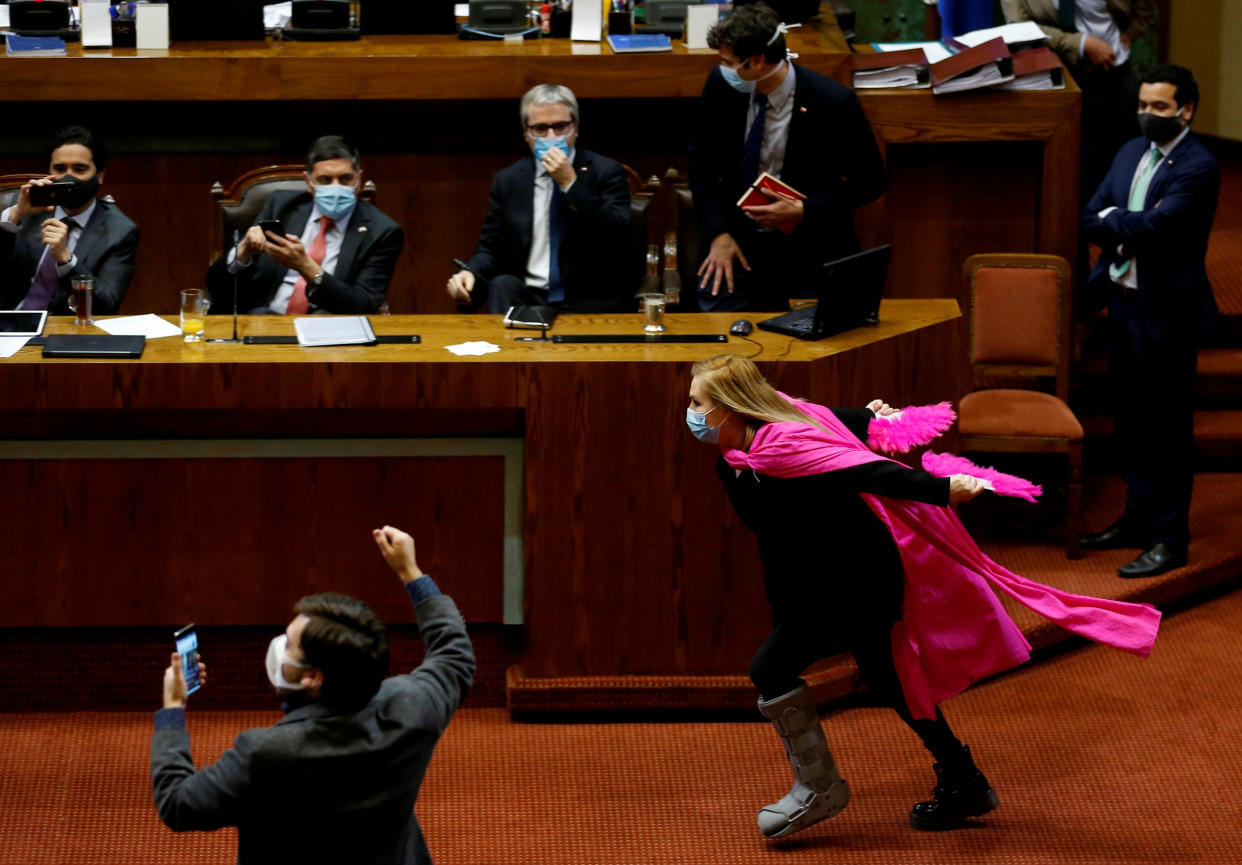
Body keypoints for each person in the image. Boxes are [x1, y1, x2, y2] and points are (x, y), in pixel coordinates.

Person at [685, 353, 1161, 836]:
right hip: (808, 580)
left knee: (770, 669)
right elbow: (841, 421)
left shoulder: (786, 447)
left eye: (698, 402)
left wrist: (942, 488)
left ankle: (819, 788)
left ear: (731, 407)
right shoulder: (738, 455)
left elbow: (870, 472)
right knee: (888, 676)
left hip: (853, 582)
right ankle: (963, 780)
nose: (691, 412)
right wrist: (876, 416)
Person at [151, 525, 475, 865]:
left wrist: (173, 710)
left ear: (313, 677)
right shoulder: (414, 707)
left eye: (289, 643)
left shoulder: (263, 753)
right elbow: (454, 654)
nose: (279, 646)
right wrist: (411, 571)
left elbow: (177, 804)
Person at [1078, 65, 1219, 579]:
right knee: (1132, 423)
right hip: (1123, 304)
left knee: (1167, 430)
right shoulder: (1129, 150)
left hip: (1168, 314)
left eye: (1158, 107)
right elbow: (1089, 212)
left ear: (1185, 110)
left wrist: (1119, 221)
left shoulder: (1198, 164)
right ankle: (1136, 519)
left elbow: (1161, 227)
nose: (1147, 115)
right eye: (1142, 104)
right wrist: (1122, 222)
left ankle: (1169, 538)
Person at [688, 2, 885, 312]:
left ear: (757, 61)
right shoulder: (721, 86)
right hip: (736, 243)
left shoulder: (832, 102)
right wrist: (718, 233)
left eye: (728, 62)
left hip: (807, 248)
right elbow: (700, 165)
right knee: (721, 337)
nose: (723, 69)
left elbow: (870, 182)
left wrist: (804, 208)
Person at [445, 83, 633, 314]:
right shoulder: (509, 180)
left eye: (560, 127)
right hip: (529, 296)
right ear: (527, 133)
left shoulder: (606, 171)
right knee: (503, 283)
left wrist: (570, 184)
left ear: (575, 129)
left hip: (589, 299)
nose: (552, 137)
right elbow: (490, 247)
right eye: (540, 129)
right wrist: (470, 272)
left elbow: (617, 236)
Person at [206, 135, 403, 315]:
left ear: (358, 181)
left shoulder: (383, 231)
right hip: (261, 322)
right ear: (308, 183)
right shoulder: (281, 206)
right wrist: (243, 252)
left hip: (329, 331)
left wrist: (305, 266)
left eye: (345, 179)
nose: (336, 187)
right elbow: (217, 287)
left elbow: (364, 304)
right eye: (325, 180)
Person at [1000, 0, 1156, 201]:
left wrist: (1132, 32)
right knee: (1070, 167)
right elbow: (1018, 26)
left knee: (1123, 164)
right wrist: (1080, 43)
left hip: (1115, 73)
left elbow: (1147, 7)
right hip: (1059, 76)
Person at [0, 125, 140, 315]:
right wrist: (14, 215)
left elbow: (107, 304)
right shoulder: (25, 208)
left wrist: (67, 260)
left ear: (99, 175)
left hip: (64, 331)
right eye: (60, 168)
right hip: (9, 324)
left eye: (79, 169)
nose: (69, 177)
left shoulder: (120, 231)